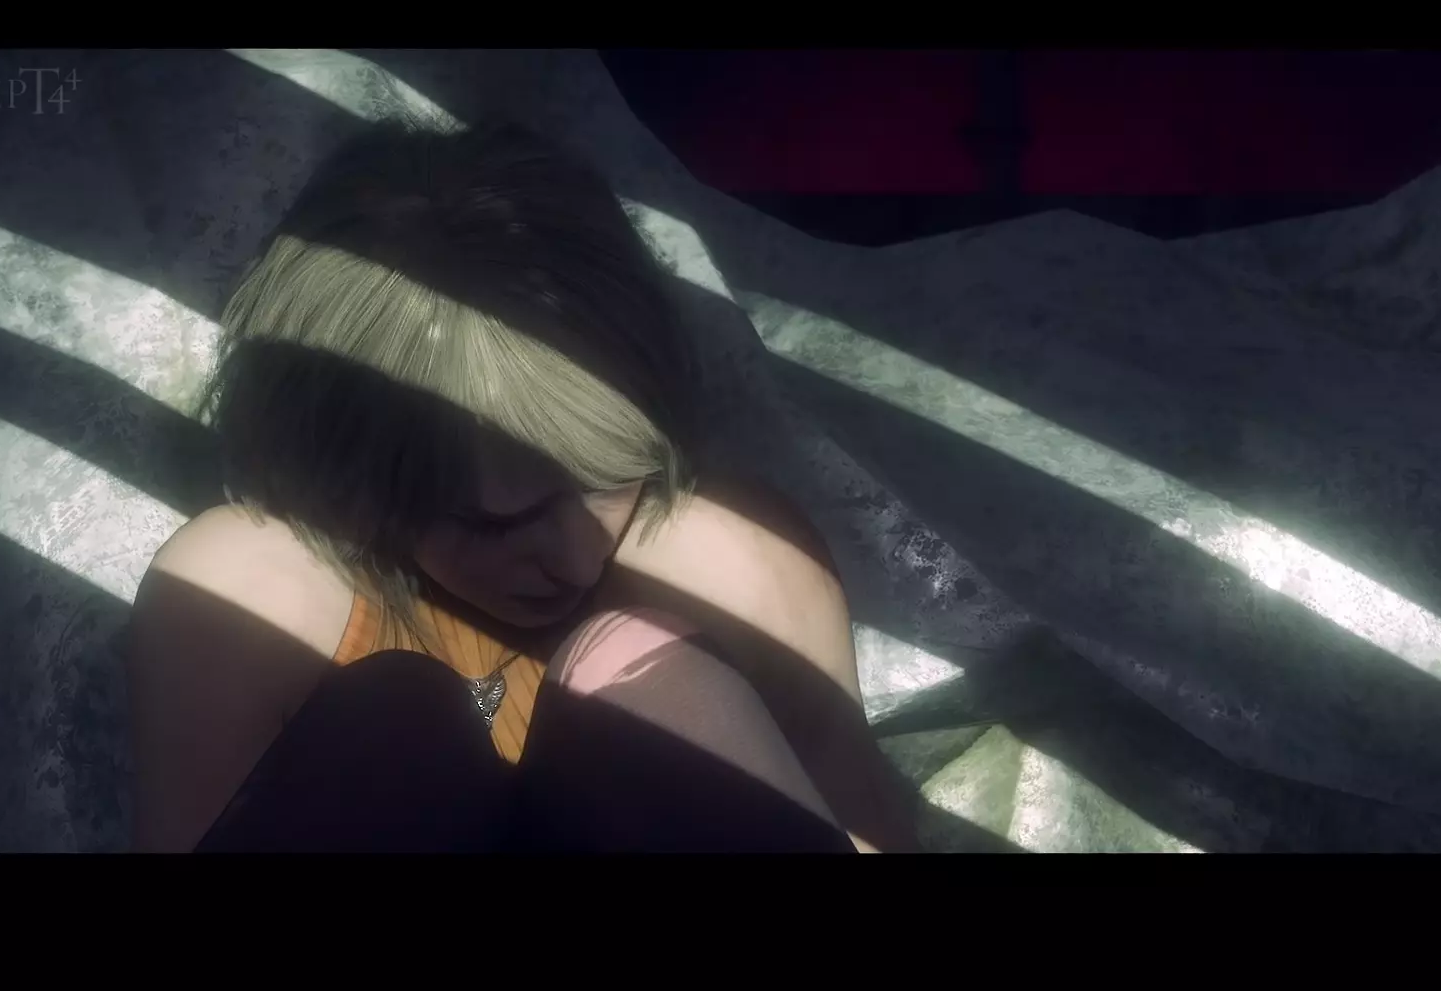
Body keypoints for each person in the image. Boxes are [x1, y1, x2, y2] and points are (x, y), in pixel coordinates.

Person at [126, 122, 919, 852]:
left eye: (606, 477)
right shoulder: (257, 596)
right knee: (389, 717)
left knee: (649, 654)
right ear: (351, 480)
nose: (572, 558)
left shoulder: (730, 562)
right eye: (487, 523)